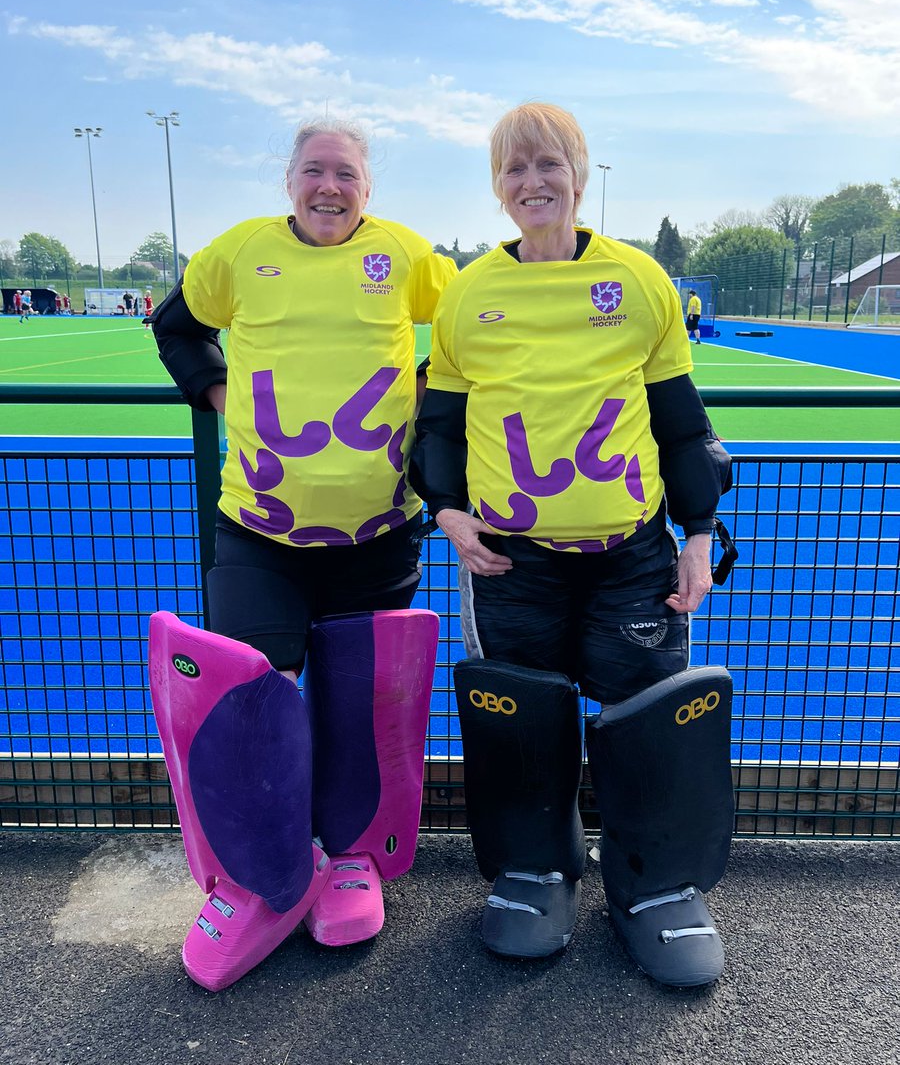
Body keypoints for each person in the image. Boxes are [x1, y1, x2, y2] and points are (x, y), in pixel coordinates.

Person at [410, 102, 736, 988]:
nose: (533, 182)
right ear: (497, 186)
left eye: (549, 164)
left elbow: (681, 426)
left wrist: (697, 535)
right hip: (512, 563)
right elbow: (439, 423)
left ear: (579, 175)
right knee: (523, 719)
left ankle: (653, 884)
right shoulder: (469, 293)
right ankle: (536, 871)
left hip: (631, 555)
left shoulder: (639, 280)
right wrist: (448, 512)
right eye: (515, 168)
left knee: (646, 720)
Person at [147, 117, 456, 991]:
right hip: (259, 531)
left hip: (378, 533)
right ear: (289, 179)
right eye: (315, 170)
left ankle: (351, 858)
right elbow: (175, 326)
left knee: (361, 703)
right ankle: (264, 877)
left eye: (346, 173)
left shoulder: (407, 256)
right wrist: (215, 389)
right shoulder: (240, 253)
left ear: (368, 187)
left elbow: (473, 332)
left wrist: (430, 395)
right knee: (252, 696)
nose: (330, 187)